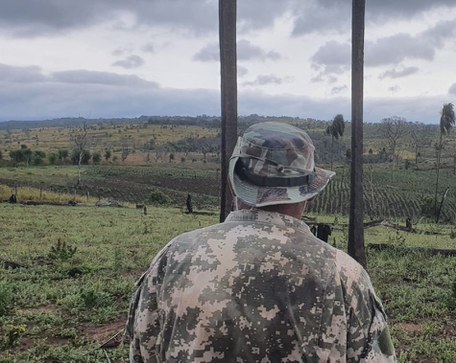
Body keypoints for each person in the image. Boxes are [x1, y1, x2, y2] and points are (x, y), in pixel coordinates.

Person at [126, 122, 396, 362]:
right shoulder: (345, 276)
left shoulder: (173, 258)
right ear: (310, 194)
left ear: (233, 182)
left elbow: (142, 350)